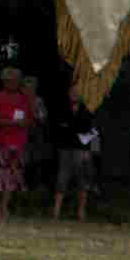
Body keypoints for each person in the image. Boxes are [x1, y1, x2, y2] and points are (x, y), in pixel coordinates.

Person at [0, 66, 32, 221]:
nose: (12, 83)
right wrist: (12, 122)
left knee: (11, 179)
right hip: (1, 143)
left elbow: (28, 120)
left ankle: (3, 209)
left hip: (18, 144)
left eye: (15, 80)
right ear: (4, 81)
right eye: (9, 80)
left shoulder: (24, 99)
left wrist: (22, 123)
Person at [51, 87, 101, 222]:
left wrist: (92, 151)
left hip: (82, 151)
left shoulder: (89, 111)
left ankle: (81, 212)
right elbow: (57, 128)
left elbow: (95, 132)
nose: (74, 94)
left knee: (82, 181)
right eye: (72, 92)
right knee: (62, 178)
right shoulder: (62, 109)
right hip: (65, 149)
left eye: (77, 93)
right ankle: (56, 212)